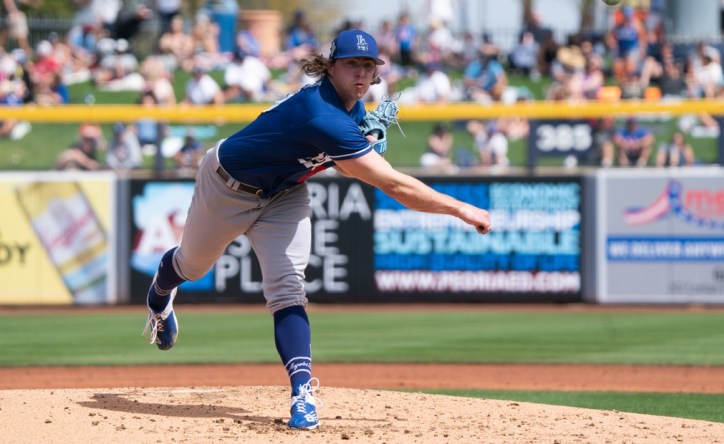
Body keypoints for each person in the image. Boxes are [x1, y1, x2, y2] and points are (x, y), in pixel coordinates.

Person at [141, 29, 491, 431]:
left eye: (367, 66)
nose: (360, 74)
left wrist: (366, 137)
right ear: (330, 67)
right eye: (351, 64)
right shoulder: (321, 113)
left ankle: (302, 394)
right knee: (191, 266)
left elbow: (341, 162)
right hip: (227, 185)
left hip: (285, 192)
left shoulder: (350, 111)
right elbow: (390, 183)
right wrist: (460, 208)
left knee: (288, 288)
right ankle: (160, 294)